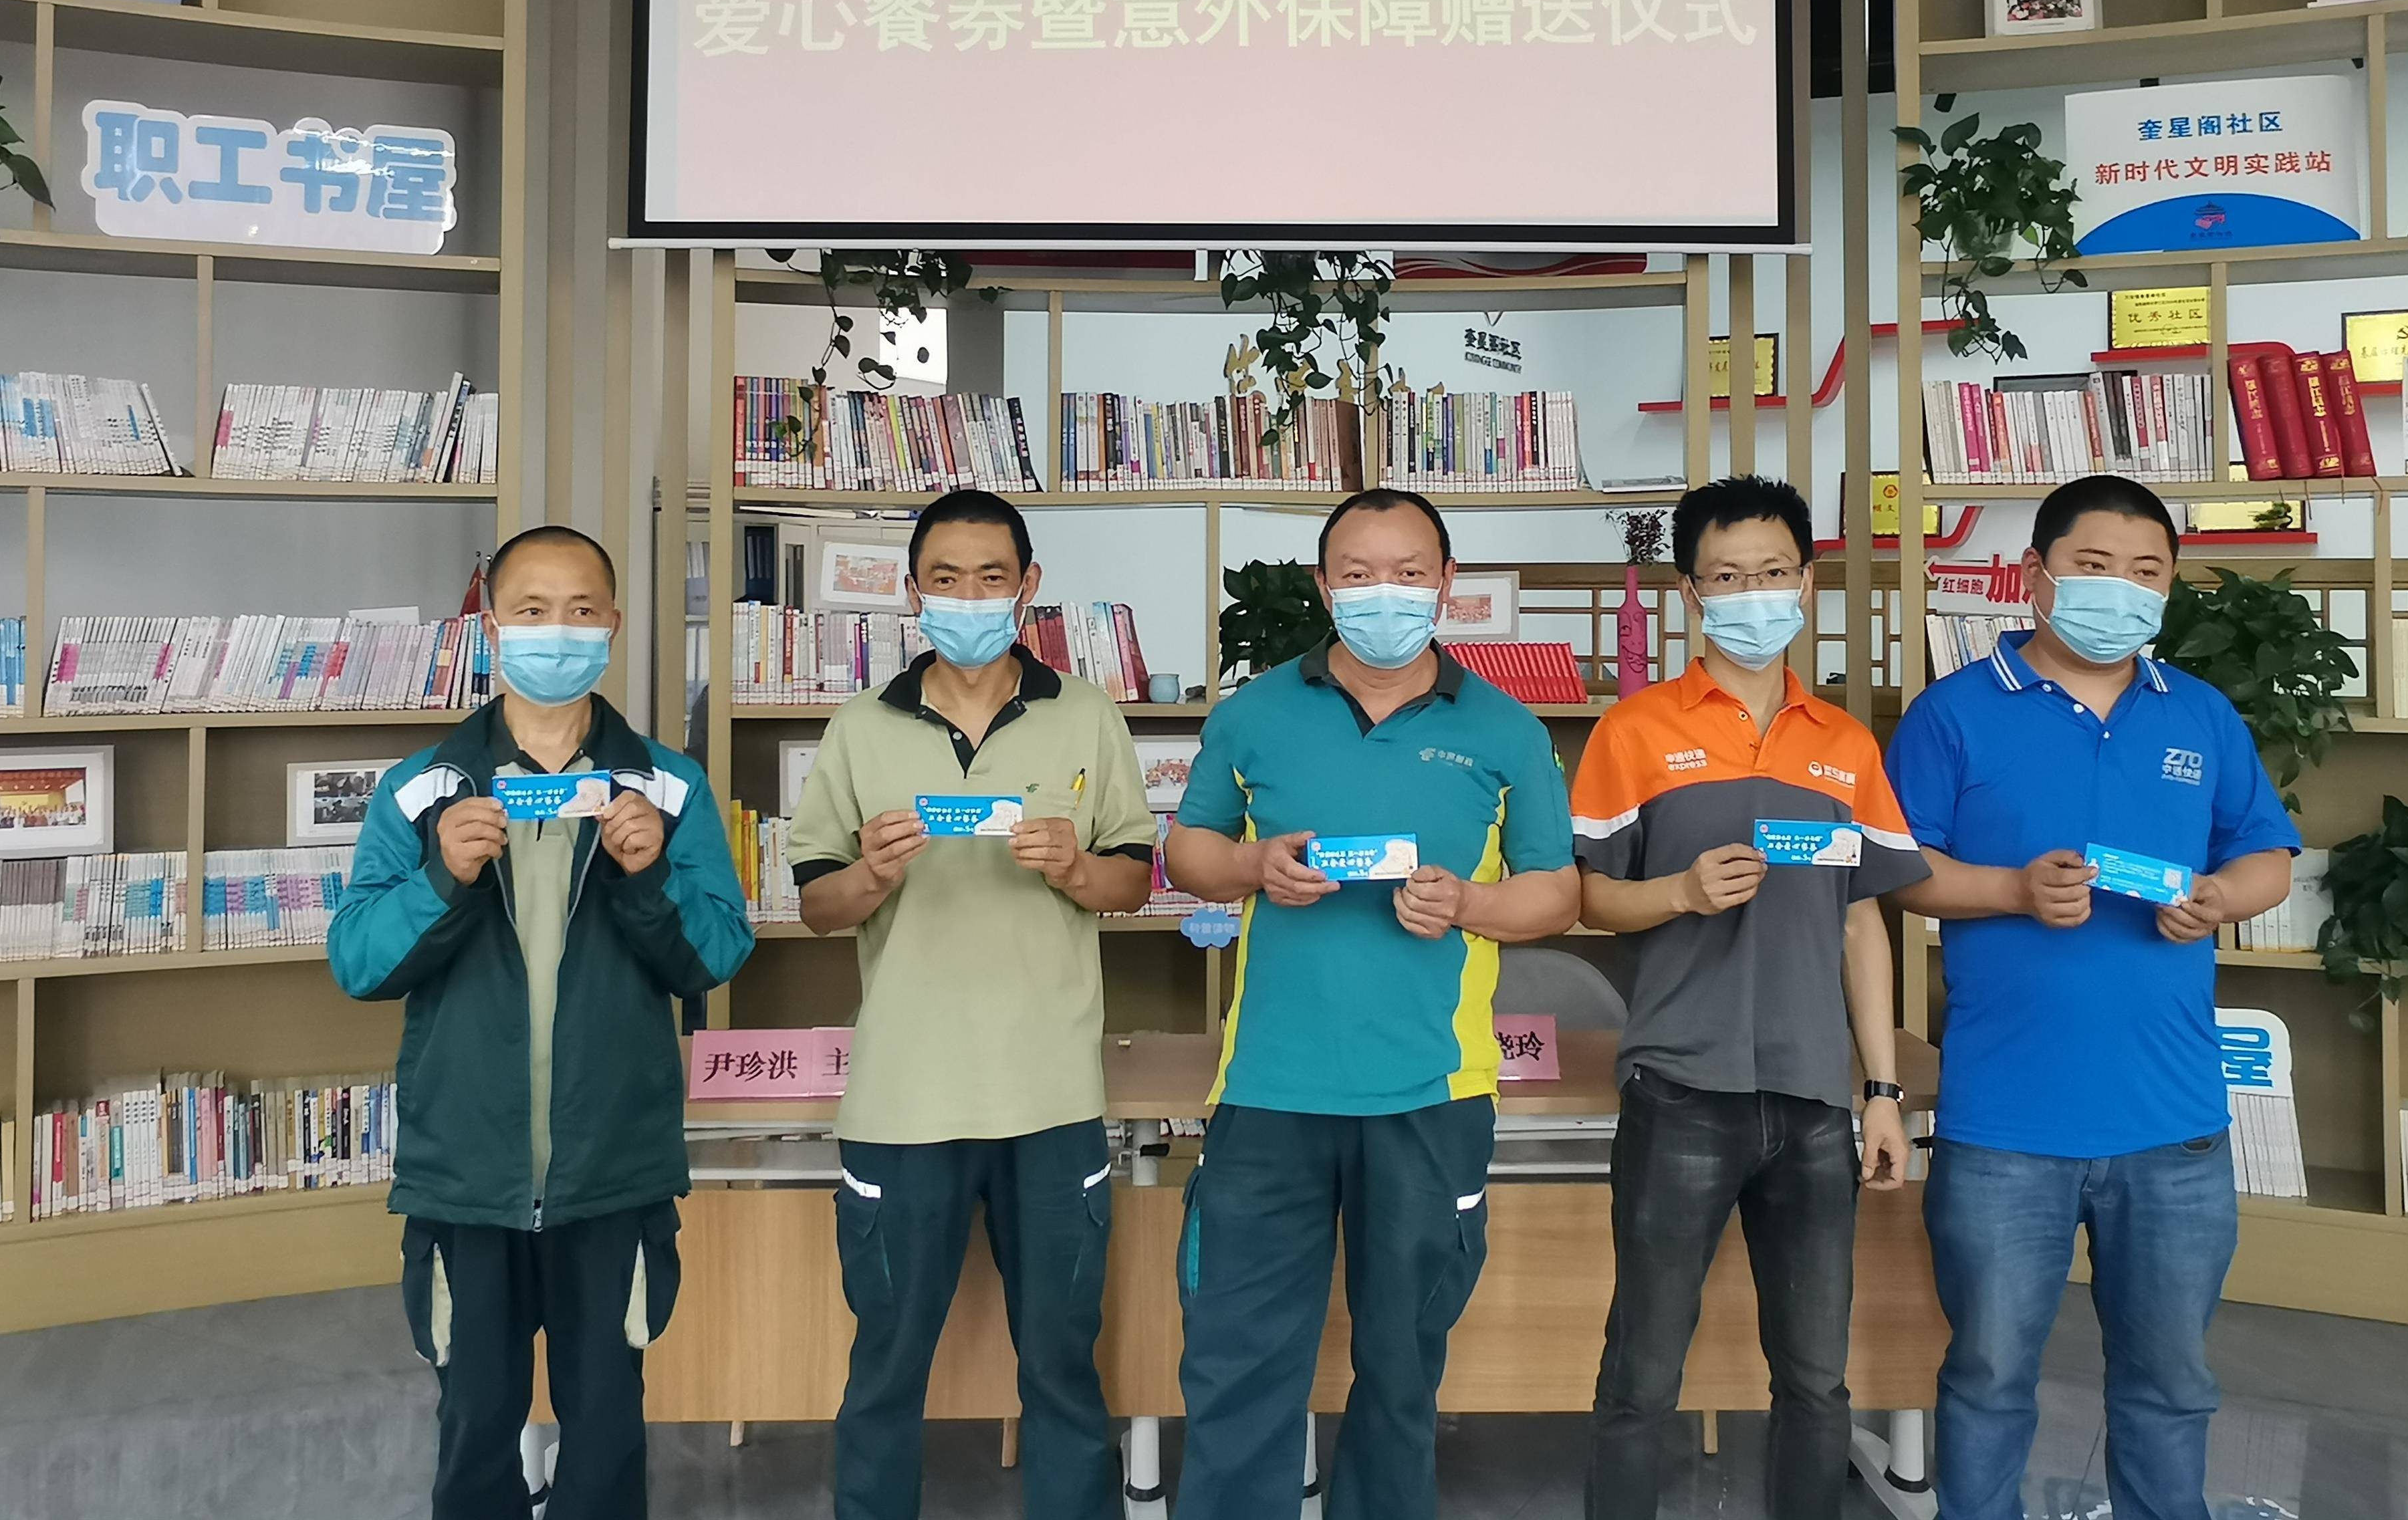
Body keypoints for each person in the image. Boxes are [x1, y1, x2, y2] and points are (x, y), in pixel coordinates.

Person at [1161, 488, 1580, 1520]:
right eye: (1357, 574)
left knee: (1400, 1377)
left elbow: (1556, 892)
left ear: (1445, 583)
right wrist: (1255, 865)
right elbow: (1189, 851)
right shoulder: (1254, 714)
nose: (1382, 593)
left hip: (1431, 1097)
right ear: (1323, 585)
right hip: (1269, 1094)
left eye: (1407, 573)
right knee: (1237, 1369)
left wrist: (1470, 904)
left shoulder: (1505, 731)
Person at [1885, 475, 2295, 1520]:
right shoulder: (1953, 714)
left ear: (2170, 588)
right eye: (2094, 566)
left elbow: (2268, 857)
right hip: (2003, 1126)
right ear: (2037, 575)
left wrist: (2219, 898)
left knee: (2171, 1385)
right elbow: (1901, 871)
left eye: (2146, 571)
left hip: (2173, 1127)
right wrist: (2013, 891)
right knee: (1987, 1378)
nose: (2121, 588)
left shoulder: (2200, 714)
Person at [328, 523, 754, 1520]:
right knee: (475, 1426)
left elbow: (717, 956)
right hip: (466, 1177)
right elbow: (359, 961)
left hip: (614, 1172)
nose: (555, 632)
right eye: (530, 611)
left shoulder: (669, 786)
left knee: (607, 1429)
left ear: (613, 626)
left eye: (579, 612)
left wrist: (650, 876)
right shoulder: (423, 789)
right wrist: (443, 874)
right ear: (492, 628)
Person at [786, 489, 1158, 1520]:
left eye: (992, 578)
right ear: (912, 592)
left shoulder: (1086, 715)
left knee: (1063, 1366)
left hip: (1051, 1098)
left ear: (1028, 586)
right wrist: (871, 874)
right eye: (945, 579)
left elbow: (1133, 882)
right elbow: (816, 906)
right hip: (905, 1102)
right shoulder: (861, 726)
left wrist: (1076, 867)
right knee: (885, 1368)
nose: (969, 597)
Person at [1570, 475, 1928, 1519]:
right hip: (1680, 1089)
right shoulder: (1635, 730)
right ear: (1692, 593)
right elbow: (1588, 897)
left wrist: (1881, 1093)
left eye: (1773, 572)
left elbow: (1863, 922)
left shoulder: (1845, 744)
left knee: (1816, 1379)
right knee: (1642, 1373)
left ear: (1806, 583)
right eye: (1727, 577)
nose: (1753, 594)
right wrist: (1680, 892)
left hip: (1815, 1101)